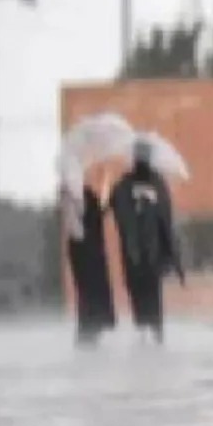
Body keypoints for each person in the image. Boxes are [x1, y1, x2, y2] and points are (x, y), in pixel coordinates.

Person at [109, 141, 184, 343]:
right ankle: (143, 339)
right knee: (139, 302)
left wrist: (172, 257)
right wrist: (135, 205)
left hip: (153, 255)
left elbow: (166, 221)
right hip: (134, 255)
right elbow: (117, 209)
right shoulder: (124, 185)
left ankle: (156, 338)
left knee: (153, 302)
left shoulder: (158, 184)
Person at [61, 180, 116, 344]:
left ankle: (93, 329)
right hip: (85, 249)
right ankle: (88, 331)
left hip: (91, 247)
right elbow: (74, 225)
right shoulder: (71, 194)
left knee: (94, 290)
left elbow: (97, 214)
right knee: (88, 290)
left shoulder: (84, 192)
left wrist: (107, 200)